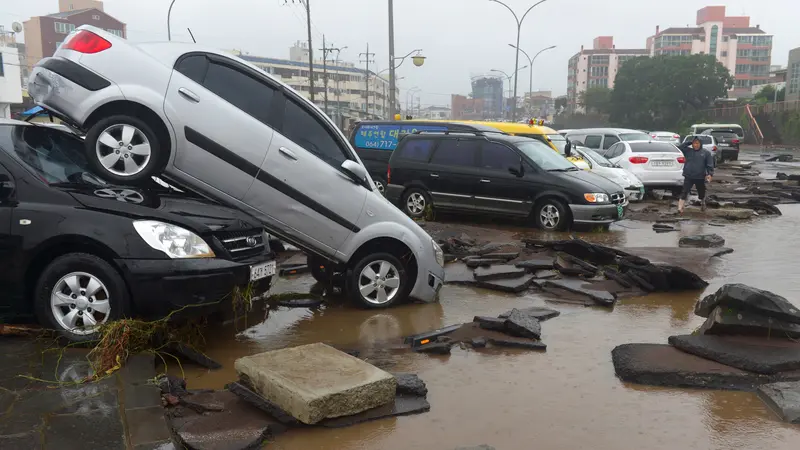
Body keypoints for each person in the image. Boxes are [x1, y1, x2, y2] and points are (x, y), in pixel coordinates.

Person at [677, 136, 715, 213]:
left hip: (700, 177)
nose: (695, 145)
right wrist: (690, 142)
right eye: (694, 143)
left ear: (700, 144)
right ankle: (680, 208)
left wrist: (710, 174)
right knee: (684, 192)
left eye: (697, 143)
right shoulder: (688, 151)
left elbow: (709, 165)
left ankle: (703, 203)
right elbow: (680, 147)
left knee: (701, 193)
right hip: (688, 175)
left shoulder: (705, 153)